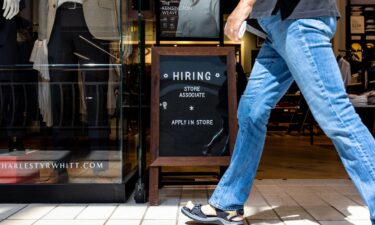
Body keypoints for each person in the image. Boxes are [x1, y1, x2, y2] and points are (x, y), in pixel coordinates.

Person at [181, 0, 375, 225]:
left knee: (335, 114)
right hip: (278, 26)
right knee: (251, 111)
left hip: (299, 21)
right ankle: (228, 203)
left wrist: (244, 5)